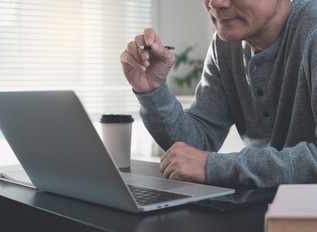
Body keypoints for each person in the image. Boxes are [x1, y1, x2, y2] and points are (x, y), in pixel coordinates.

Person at [120, 0, 317, 189]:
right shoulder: (224, 46)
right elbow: (195, 144)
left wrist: (213, 167)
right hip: (263, 205)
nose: (215, 3)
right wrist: (154, 90)